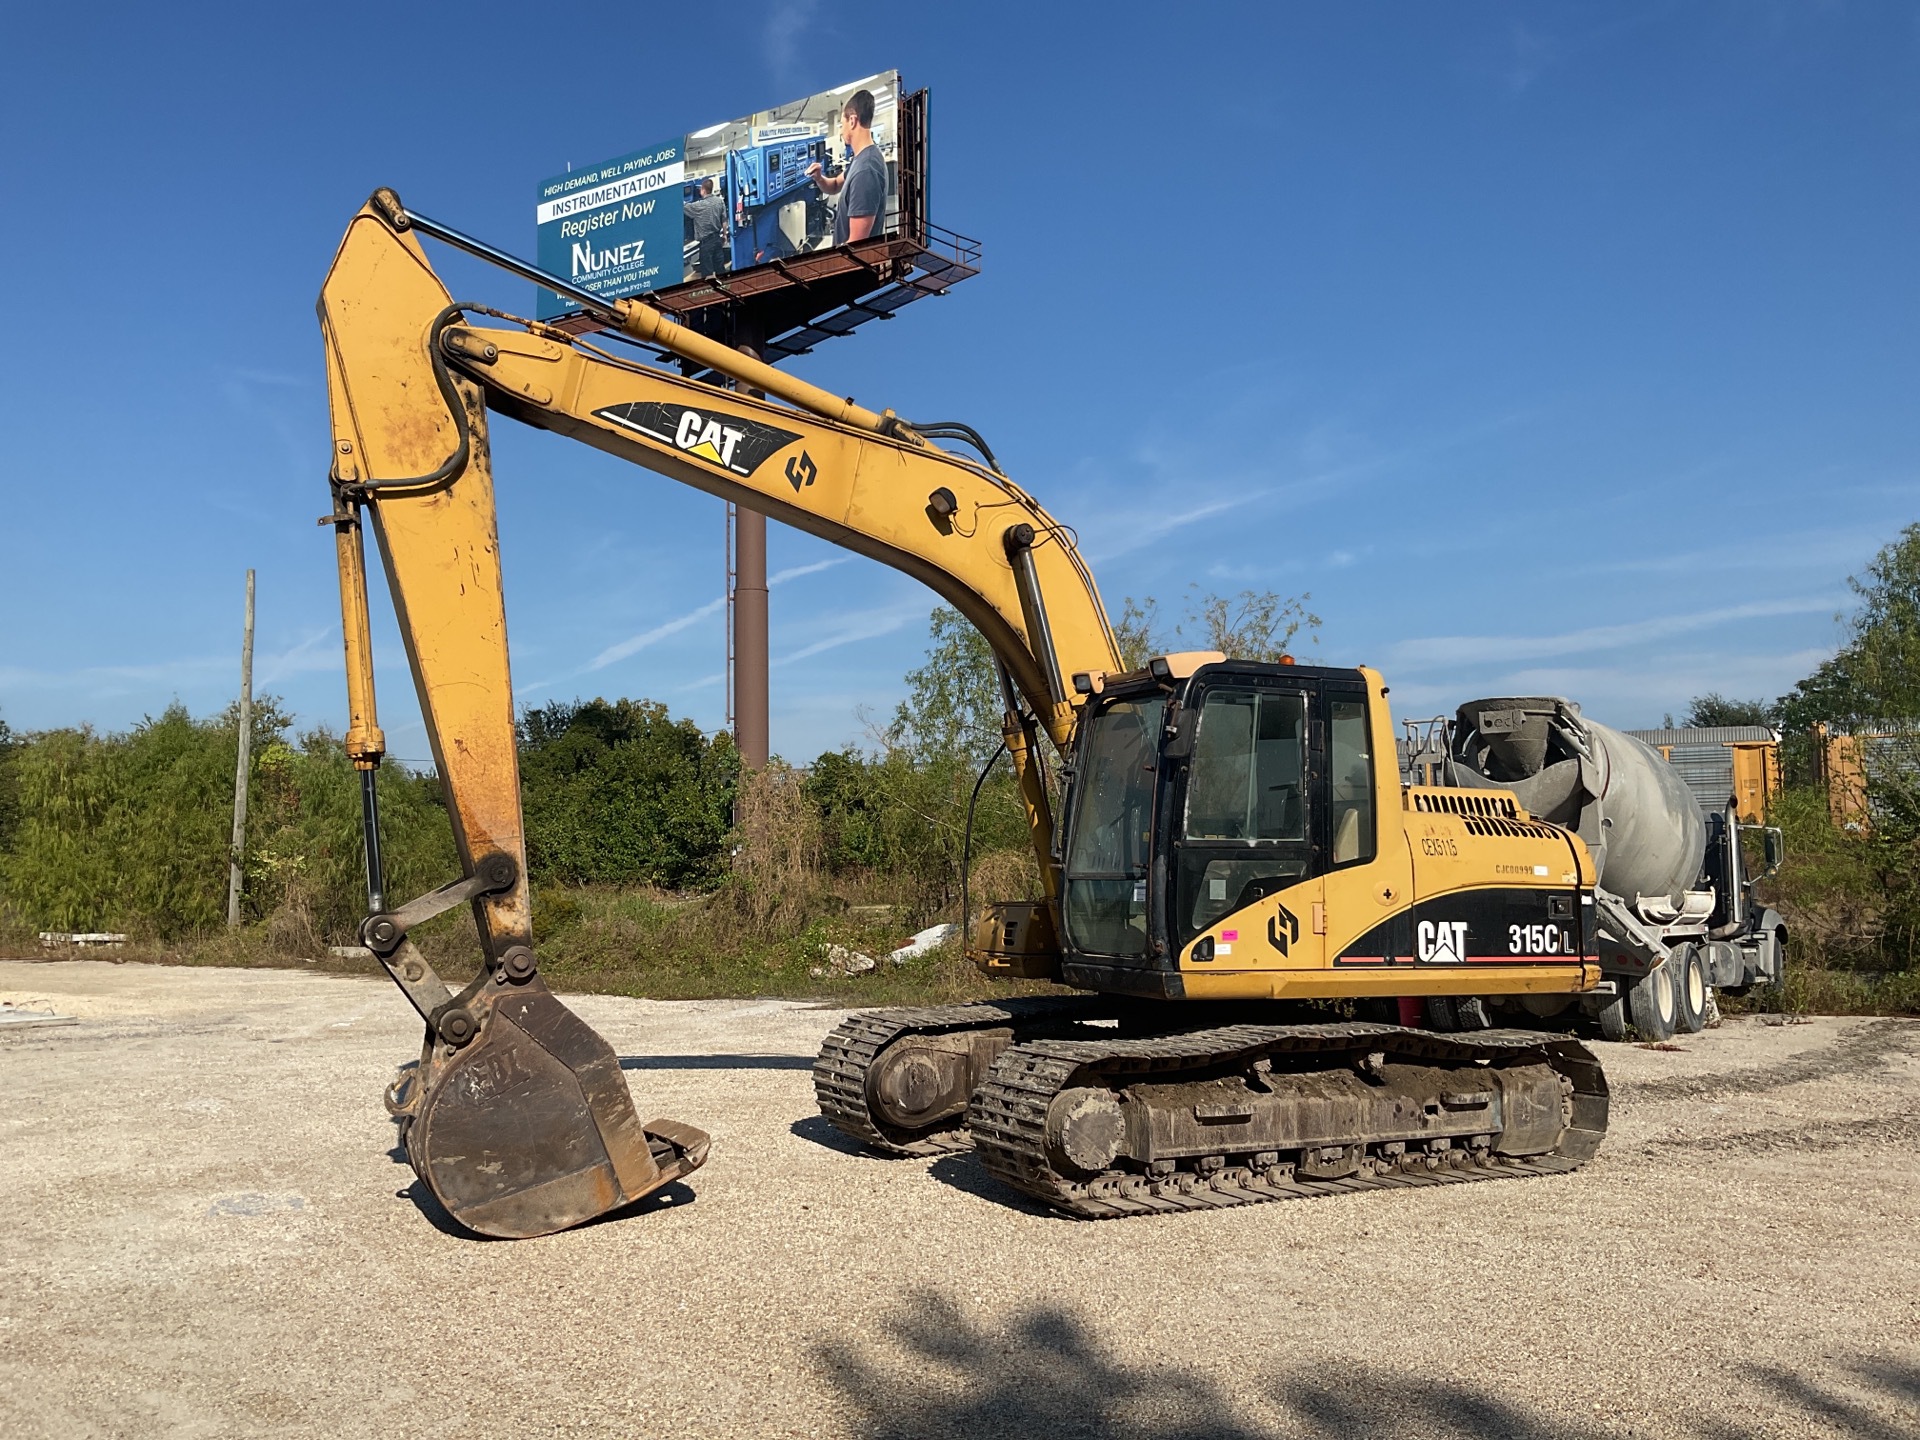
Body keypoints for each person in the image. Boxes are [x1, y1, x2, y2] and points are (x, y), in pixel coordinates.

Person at [806, 89, 887, 246]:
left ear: (852, 121)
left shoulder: (866, 170)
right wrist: (819, 177)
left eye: (841, 124)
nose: (841, 130)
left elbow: (856, 246)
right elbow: (835, 184)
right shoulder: (860, 158)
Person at [683, 176, 727, 277]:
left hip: (706, 243)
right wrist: (724, 235)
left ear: (703, 190)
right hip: (717, 239)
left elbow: (684, 207)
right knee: (720, 269)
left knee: (708, 274)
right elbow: (724, 219)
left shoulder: (699, 205)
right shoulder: (719, 201)